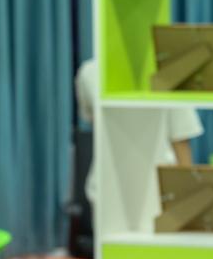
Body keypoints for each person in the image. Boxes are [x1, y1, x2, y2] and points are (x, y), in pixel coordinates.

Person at [74, 58, 204, 206]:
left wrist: (186, 195)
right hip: (109, 190)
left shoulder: (169, 73)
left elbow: (181, 139)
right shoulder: (90, 72)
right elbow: (180, 139)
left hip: (156, 191)